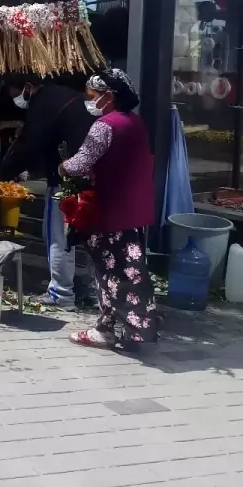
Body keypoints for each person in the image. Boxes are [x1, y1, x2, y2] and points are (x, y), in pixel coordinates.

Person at [59, 68, 157, 350]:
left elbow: (81, 162)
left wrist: (62, 166)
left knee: (108, 272)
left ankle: (105, 330)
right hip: (131, 213)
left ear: (109, 96)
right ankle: (131, 329)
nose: (90, 101)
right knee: (130, 271)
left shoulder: (105, 126)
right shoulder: (135, 123)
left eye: (93, 96)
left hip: (107, 211)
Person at [0, 73, 96, 309]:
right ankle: (96, 292)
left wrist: (1, 172)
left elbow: (30, 145)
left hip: (66, 179)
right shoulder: (63, 96)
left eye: (17, 95)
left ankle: (61, 293)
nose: (18, 100)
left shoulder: (43, 104)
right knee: (91, 236)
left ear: (28, 87)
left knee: (58, 235)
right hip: (91, 176)